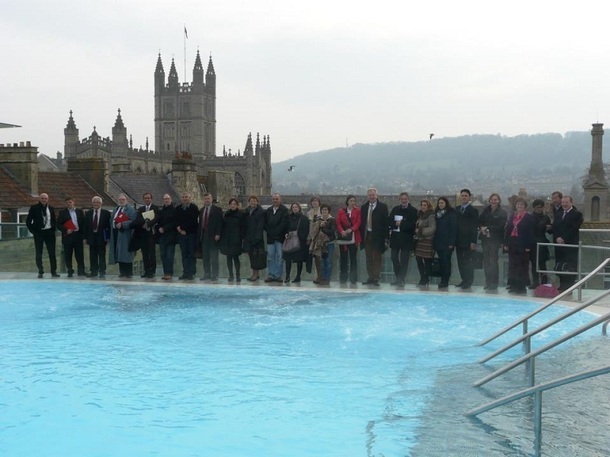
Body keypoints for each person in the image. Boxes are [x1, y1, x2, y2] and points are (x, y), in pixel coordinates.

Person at [503, 198, 535, 295]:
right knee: (513, 265)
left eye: (521, 204)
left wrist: (529, 245)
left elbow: (531, 232)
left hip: (523, 243)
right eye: (518, 204)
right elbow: (508, 230)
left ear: (524, 206)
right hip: (513, 242)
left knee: (522, 266)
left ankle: (521, 286)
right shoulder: (512, 216)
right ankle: (513, 285)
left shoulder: (528, 217)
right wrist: (506, 243)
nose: (519, 206)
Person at [552, 195, 583, 291]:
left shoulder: (577, 214)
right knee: (560, 265)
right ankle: (562, 285)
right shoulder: (558, 214)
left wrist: (564, 238)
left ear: (571, 203)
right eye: (563, 202)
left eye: (566, 202)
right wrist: (557, 238)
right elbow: (555, 227)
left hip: (570, 245)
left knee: (570, 266)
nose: (564, 204)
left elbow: (574, 229)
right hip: (559, 246)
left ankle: (569, 287)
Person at [26, 193, 60, 278]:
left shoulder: (51, 208)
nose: (44, 200)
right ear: (39, 199)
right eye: (42, 198)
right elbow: (28, 221)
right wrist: (33, 231)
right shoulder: (34, 208)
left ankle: (53, 271)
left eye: (45, 198)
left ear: (48, 199)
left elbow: (54, 220)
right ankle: (40, 271)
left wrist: (54, 229)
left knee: (52, 253)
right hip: (39, 233)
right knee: (39, 253)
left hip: (49, 233)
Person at [478, 193, 508, 291]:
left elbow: (501, 226)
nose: (493, 201)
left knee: (493, 262)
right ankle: (488, 282)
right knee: (486, 262)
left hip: (495, 239)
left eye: (495, 199)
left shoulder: (502, 212)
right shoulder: (486, 210)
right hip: (485, 238)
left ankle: (494, 283)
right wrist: (482, 228)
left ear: (499, 201)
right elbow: (480, 221)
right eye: (492, 199)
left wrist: (488, 228)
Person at [360, 188, 389, 286]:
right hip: (367, 235)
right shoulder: (364, 207)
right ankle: (370, 277)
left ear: (376, 196)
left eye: (373, 195)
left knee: (377, 257)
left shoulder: (383, 207)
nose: (371, 197)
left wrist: (386, 238)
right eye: (370, 195)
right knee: (368, 257)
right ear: (367, 196)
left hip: (378, 236)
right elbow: (362, 223)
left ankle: (376, 277)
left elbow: (386, 223)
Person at [388, 192, 418, 286]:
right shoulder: (395, 209)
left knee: (404, 261)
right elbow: (389, 221)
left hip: (406, 239)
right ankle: (398, 277)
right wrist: (395, 224)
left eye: (405, 199)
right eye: (402, 199)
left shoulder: (413, 211)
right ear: (400, 200)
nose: (404, 200)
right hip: (395, 239)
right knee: (394, 258)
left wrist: (402, 224)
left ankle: (401, 279)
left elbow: (413, 225)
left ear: (408, 199)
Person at [455, 188, 479, 290]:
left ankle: (468, 281)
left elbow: (474, 227)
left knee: (467, 262)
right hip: (458, 240)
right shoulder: (457, 209)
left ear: (469, 197)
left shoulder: (473, 210)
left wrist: (473, 241)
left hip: (468, 241)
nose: (464, 197)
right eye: (462, 195)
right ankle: (463, 279)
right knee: (460, 261)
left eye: (466, 196)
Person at [109, 194, 138, 278]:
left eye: (123, 199)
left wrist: (122, 224)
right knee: (119, 253)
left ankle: (129, 272)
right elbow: (112, 220)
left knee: (127, 253)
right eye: (120, 200)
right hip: (116, 234)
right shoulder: (115, 209)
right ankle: (122, 272)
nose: (121, 201)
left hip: (126, 235)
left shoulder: (131, 210)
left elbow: (133, 221)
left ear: (126, 200)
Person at [56, 196, 86, 278]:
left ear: (73, 202)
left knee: (79, 255)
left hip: (78, 235)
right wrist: (66, 230)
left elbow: (83, 224)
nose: (68, 204)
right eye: (67, 203)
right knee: (68, 255)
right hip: (68, 236)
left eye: (70, 202)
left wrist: (84, 237)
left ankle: (81, 271)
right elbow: (58, 224)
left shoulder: (80, 211)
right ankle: (70, 270)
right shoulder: (62, 212)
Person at [197, 193, 223, 283]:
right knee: (205, 257)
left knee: (214, 258)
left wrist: (218, 234)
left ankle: (215, 275)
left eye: (208, 198)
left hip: (213, 236)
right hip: (204, 236)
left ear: (211, 199)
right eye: (205, 199)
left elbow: (220, 223)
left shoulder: (217, 210)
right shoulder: (201, 210)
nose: (207, 200)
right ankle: (207, 274)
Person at [336, 195, 362, 284]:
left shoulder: (358, 211)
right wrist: (342, 231)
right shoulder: (341, 211)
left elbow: (359, 222)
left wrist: (351, 229)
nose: (352, 202)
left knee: (353, 258)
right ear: (347, 202)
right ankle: (343, 278)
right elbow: (338, 222)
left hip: (354, 236)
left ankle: (353, 278)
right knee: (343, 258)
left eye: (354, 201)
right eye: (351, 201)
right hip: (343, 237)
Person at [308, 203, 336, 285]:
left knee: (328, 261)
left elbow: (332, 231)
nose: (324, 211)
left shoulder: (332, 220)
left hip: (329, 243)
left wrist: (323, 228)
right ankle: (322, 277)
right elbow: (314, 231)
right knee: (322, 261)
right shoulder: (318, 220)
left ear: (329, 211)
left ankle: (327, 278)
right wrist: (319, 226)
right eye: (323, 210)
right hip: (320, 243)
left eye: (326, 210)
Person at [83, 196, 111, 279]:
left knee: (102, 255)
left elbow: (108, 226)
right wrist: (84, 238)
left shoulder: (106, 213)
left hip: (101, 237)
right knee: (92, 255)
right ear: (92, 203)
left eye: (97, 202)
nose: (96, 204)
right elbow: (85, 226)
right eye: (94, 202)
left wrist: (108, 237)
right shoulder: (88, 213)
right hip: (91, 237)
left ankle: (102, 271)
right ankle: (93, 271)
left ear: (101, 203)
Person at [133, 192, 159, 278]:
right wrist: (143, 223)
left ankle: (152, 271)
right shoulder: (141, 209)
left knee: (151, 252)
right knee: (144, 253)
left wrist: (148, 224)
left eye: (148, 198)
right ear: (143, 199)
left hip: (152, 233)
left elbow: (157, 218)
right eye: (145, 198)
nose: (147, 199)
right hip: (143, 234)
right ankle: (146, 270)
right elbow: (138, 219)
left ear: (151, 199)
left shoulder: (155, 208)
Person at [174, 191, 199, 280]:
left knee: (191, 254)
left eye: (186, 197)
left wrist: (184, 229)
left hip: (191, 234)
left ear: (190, 198)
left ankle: (192, 273)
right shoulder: (178, 208)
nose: (185, 198)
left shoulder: (194, 208)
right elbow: (176, 220)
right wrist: (179, 228)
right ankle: (186, 272)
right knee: (184, 254)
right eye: (183, 197)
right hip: (181, 235)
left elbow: (193, 221)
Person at [433, 197, 457, 289]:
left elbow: (453, 228)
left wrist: (452, 242)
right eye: (439, 203)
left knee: (446, 262)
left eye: (442, 203)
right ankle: (442, 280)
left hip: (447, 242)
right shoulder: (436, 214)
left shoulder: (451, 213)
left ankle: (445, 281)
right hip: (438, 242)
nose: (441, 205)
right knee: (442, 262)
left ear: (446, 203)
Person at [220, 198, 246, 283]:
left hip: (236, 239)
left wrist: (241, 238)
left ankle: (238, 275)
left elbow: (243, 228)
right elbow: (223, 227)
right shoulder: (226, 214)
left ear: (237, 205)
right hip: (227, 239)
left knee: (236, 258)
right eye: (231, 204)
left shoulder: (241, 215)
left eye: (234, 204)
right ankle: (231, 275)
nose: (232, 205)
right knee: (228, 258)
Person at [264, 193, 289, 282]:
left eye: (276, 199)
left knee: (280, 257)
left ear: (280, 199)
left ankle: (278, 275)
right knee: (270, 257)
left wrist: (276, 232)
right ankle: (271, 275)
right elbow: (265, 223)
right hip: (270, 238)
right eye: (273, 199)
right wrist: (270, 231)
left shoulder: (284, 210)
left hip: (280, 238)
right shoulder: (269, 210)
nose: (275, 200)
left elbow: (284, 224)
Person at [283, 202, 309, 283]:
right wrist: (286, 233)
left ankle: (298, 276)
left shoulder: (303, 218)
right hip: (290, 240)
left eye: (296, 207)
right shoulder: (288, 217)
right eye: (293, 207)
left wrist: (301, 237)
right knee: (288, 259)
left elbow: (306, 229)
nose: (294, 208)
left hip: (300, 241)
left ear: (299, 208)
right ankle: (287, 276)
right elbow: (286, 227)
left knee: (299, 260)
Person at [530, 199, 552, 288]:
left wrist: (550, 228)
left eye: (541, 207)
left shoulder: (546, 217)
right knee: (534, 264)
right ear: (534, 208)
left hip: (542, 243)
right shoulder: (530, 217)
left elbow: (550, 231)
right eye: (537, 207)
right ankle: (535, 283)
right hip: (533, 243)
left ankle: (544, 283)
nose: (539, 209)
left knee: (542, 264)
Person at [243, 195, 266, 282]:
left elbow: (260, 226)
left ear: (257, 202)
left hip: (256, 238)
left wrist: (257, 238)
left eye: (254, 201)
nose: (252, 202)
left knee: (256, 257)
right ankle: (254, 273)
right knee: (251, 256)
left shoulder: (261, 212)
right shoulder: (247, 211)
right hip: (248, 237)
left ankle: (256, 274)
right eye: (251, 201)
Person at [414, 199, 436, 288]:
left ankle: (425, 278)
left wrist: (420, 231)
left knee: (427, 261)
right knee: (418, 259)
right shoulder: (420, 215)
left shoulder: (431, 216)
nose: (423, 207)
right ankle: (422, 277)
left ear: (428, 206)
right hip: (420, 241)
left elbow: (433, 228)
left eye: (425, 205)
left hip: (427, 240)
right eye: (422, 205)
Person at [157, 194, 177, 280]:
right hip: (162, 236)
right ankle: (165, 273)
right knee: (163, 255)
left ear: (171, 199)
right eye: (165, 199)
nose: (166, 200)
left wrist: (164, 228)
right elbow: (158, 221)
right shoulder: (161, 211)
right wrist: (159, 228)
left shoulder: (174, 210)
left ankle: (169, 273)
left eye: (168, 198)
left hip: (171, 236)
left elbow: (174, 222)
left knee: (169, 255)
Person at [306, 196, 321, 276]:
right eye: (313, 201)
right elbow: (308, 226)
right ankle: (317, 276)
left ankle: (321, 276)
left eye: (316, 200)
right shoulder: (309, 213)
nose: (314, 202)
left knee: (319, 257)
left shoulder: (322, 212)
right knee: (315, 257)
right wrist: (309, 238)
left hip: (320, 237)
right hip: (312, 238)